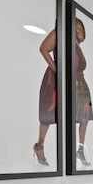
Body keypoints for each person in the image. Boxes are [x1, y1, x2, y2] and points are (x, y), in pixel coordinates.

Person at [33, 27, 57, 166]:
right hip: (53, 78)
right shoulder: (58, 32)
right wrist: (57, 70)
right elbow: (43, 48)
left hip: (69, 79)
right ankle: (40, 145)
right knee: (48, 112)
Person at [74, 18, 93, 166]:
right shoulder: (71, 47)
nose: (81, 32)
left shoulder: (78, 47)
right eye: (78, 29)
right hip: (75, 82)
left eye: (82, 29)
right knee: (75, 116)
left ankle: (80, 149)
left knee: (84, 118)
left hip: (82, 83)